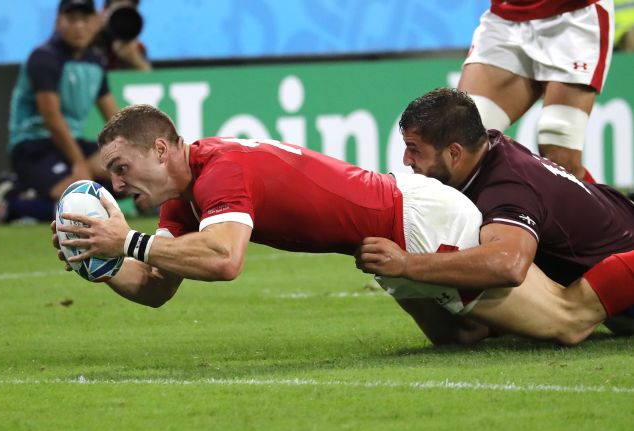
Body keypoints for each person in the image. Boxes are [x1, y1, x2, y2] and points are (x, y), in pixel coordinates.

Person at [52, 104, 634, 346]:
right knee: (463, 340)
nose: (119, 185)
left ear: (160, 148)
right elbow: (155, 286)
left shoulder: (220, 173)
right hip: (390, 231)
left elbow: (225, 261)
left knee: (566, 322)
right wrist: (96, 260)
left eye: (122, 168)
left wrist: (122, 240)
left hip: (416, 224)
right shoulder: (183, 198)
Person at [355, 87, 634, 343]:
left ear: (454, 153)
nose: (406, 159)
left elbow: (508, 265)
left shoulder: (506, 190)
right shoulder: (489, 148)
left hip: (625, 273)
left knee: (570, 321)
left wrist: (406, 264)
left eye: (414, 149)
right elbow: (461, 333)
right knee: (462, 331)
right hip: (613, 240)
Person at [458, 0, 615, 181]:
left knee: (559, 155)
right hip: (505, 18)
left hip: (573, 15)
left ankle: (612, 210)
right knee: (464, 138)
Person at [0, 0, 119, 224]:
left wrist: (133, 158)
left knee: (125, 179)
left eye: (85, 19)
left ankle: (25, 189)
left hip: (72, 142)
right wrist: (79, 164)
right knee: (79, 205)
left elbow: (116, 119)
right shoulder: (44, 57)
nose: (79, 26)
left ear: (96, 22)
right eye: (72, 19)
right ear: (58, 23)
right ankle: (11, 205)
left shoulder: (96, 61)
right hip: (34, 144)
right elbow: (52, 120)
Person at [92, 0, 151, 71]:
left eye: (127, 12)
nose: (122, 19)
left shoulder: (136, 48)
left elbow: (151, 80)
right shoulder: (90, 41)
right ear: (104, 12)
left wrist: (136, 60)